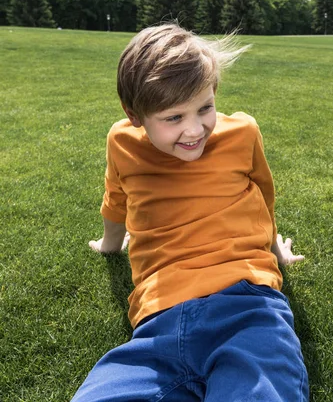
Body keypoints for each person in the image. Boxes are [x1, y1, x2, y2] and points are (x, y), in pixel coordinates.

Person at [71, 23, 309, 402]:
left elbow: (263, 195)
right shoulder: (121, 141)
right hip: (159, 321)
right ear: (134, 115)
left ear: (215, 93)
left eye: (205, 108)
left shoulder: (243, 132)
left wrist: (276, 253)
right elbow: (116, 201)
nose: (195, 129)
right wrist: (108, 244)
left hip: (248, 306)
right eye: (173, 118)